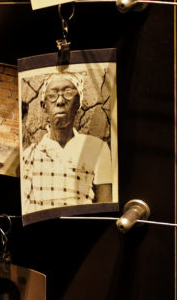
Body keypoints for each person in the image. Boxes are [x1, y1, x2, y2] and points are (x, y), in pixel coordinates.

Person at [21, 72, 113, 209]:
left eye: (68, 93)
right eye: (52, 96)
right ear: (43, 106)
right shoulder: (29, 156)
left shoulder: (97, 148)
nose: (60, 101)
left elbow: (105, 208)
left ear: (78, 103)